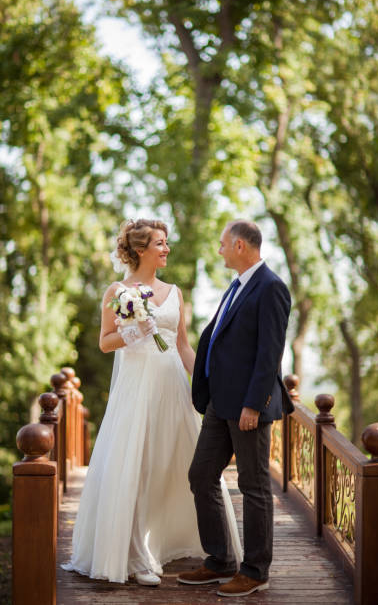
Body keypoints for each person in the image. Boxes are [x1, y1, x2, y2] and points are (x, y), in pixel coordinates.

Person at [62, 219, 241, 586]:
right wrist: (134, 330)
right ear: (141, 249)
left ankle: (178, 544)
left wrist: (209, 387)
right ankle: (137, 556)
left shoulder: (175, 292)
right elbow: (105, 342)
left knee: (175, 462)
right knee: (138, 466)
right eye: (160, 243)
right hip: (137, 388)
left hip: (172, 386)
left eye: (166, 242)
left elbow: (183, 346)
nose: (166, 249)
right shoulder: (118, 290)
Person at [177, 220, 293, 598]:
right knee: (201, 475)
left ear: (241, 245)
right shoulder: (238, 284)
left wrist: (253, 405)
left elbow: (269, 354)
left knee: (254, 487)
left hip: (247, 408)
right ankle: (220, 560)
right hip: (218, 404)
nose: (219, 249)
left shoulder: (271, 287)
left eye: (223, 243)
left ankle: (255, 570)